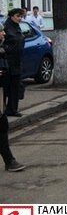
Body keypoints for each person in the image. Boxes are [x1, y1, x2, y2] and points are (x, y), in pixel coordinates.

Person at [0, 24, 26, 172]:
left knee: (3, 126)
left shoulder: (3, 50)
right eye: (1, 31)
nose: (3, 34)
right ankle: (9, 161)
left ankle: (10, 161)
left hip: (1, 94)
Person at [3, 9, 24, 118]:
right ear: (11, 16)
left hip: (17, 62)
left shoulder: (17, 27)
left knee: (15, 87)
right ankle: (3, 110)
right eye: (17, 16)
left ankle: (12, 110)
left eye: (21, 16)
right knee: (5, 87)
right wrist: (7, 50)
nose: (20, 18)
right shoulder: (6, 27)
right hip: (7, 63)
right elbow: (3, 44)